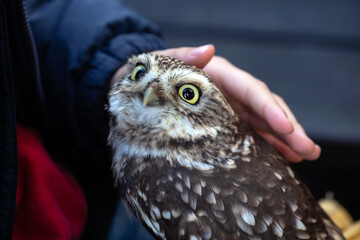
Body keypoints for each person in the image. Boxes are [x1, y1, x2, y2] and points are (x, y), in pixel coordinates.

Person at [0, 0, 320, 239]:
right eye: (139, 73)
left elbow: (33, 10)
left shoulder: (158, 177)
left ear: (219, 121)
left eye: (188, 94)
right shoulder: (154, 172)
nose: (149, 89)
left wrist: (106, 66)